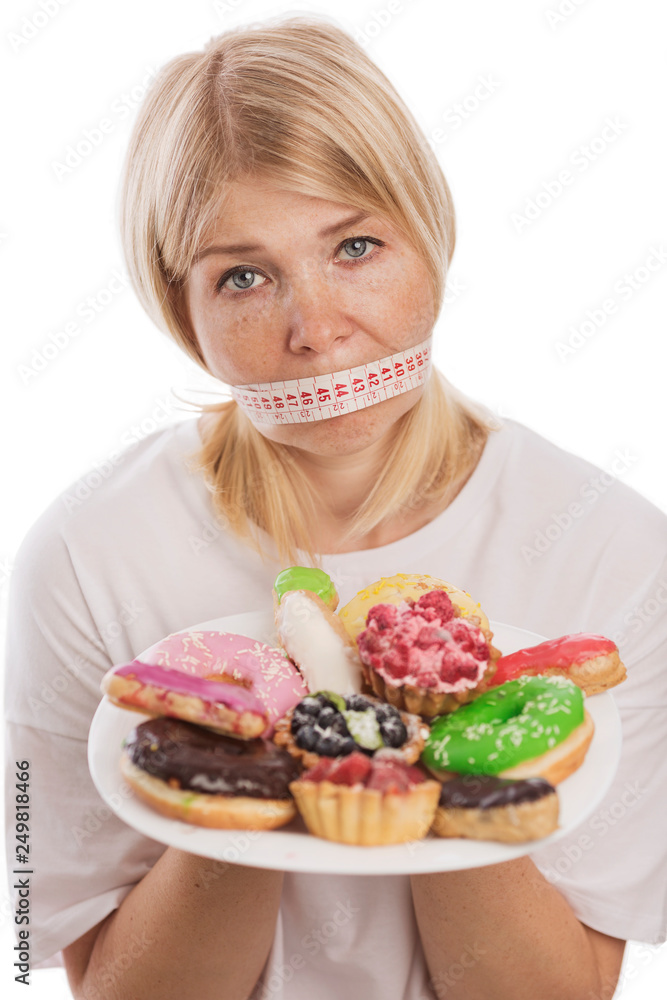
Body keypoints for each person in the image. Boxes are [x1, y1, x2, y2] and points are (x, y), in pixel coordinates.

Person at [4, 14, 667, 1000]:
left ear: (432, 236)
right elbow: (81, 977)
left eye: (355, 245)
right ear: (179, 309)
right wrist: (255, 748)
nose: (315, 329)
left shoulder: (614, 550)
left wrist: (434, 723)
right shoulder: (83, 555)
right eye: (242, 275)